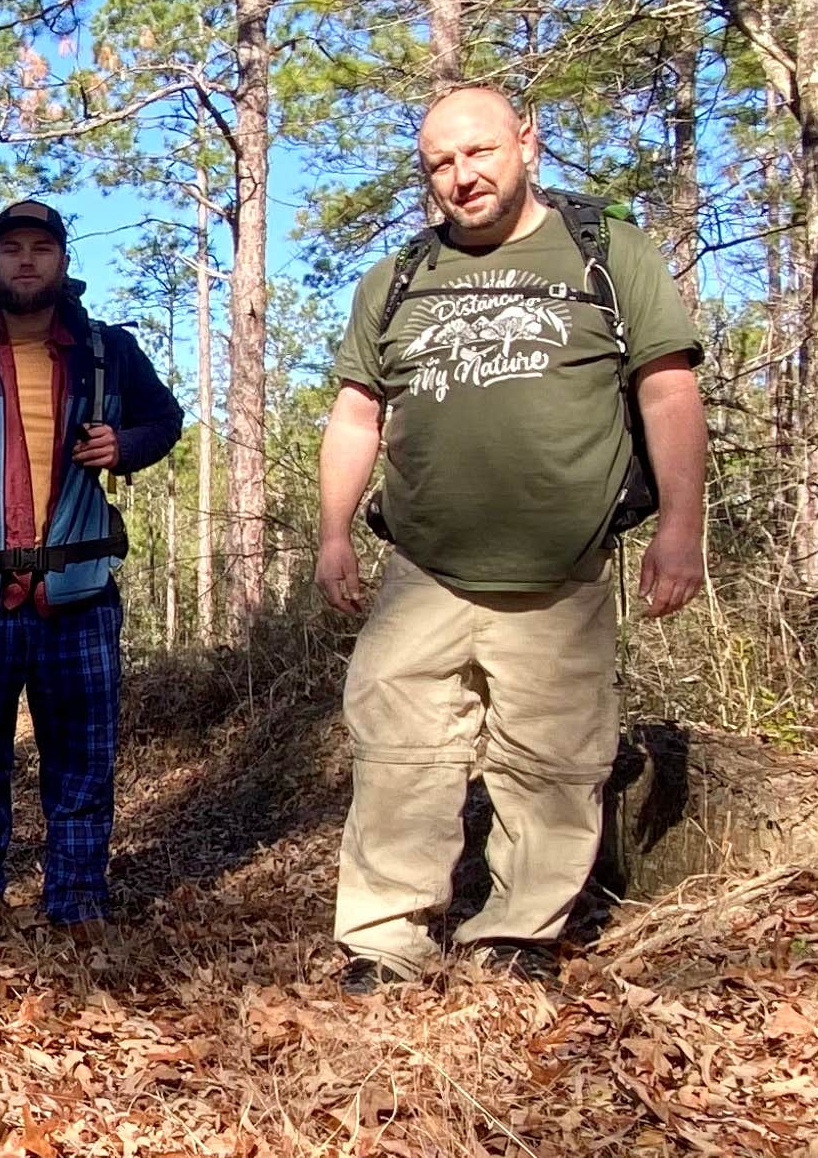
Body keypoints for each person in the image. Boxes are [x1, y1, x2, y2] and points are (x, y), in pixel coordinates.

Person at [314, 87, 706, 992]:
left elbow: (666, 390)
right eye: (440, 164)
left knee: (553, 764)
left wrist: (680, 528)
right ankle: (384, 941)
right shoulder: (397, 277)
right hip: (423, 568)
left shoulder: (607, 253)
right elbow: (356, 412)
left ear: (526, 141)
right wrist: (333, 534)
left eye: (479, 152)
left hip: (561, 569)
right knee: (398, 759)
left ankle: (517, 934)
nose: (462, 176)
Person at [0, 201, 185, 939]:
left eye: (39, 248)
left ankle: (75, 905)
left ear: (62, 262)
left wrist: (124, 445)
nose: (25, 260)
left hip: (80, 594)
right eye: (11, 247)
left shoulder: (106, 351)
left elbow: (165, 419)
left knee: (82, 761)